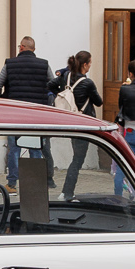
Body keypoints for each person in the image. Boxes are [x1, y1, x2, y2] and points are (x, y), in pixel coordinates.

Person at [54, 50, 100, 196]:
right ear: (85, 65)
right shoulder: (87, 83)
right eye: (90, 63)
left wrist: (60, 93)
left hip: (70, 121)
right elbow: (99, 102)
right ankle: (67, 193)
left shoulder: (66, 77)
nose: (90, 65)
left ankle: (67, 192)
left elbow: (50, 84)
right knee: (78, 160)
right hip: (83, 124)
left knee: (77, 158)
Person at [0, 36, 53, 105]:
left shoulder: (9, 64)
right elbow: (53, 84)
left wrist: (1, 99)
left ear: (21, 47)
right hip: (38, 107)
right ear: (34, 49)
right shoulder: (44, 65)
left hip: (14, 106)